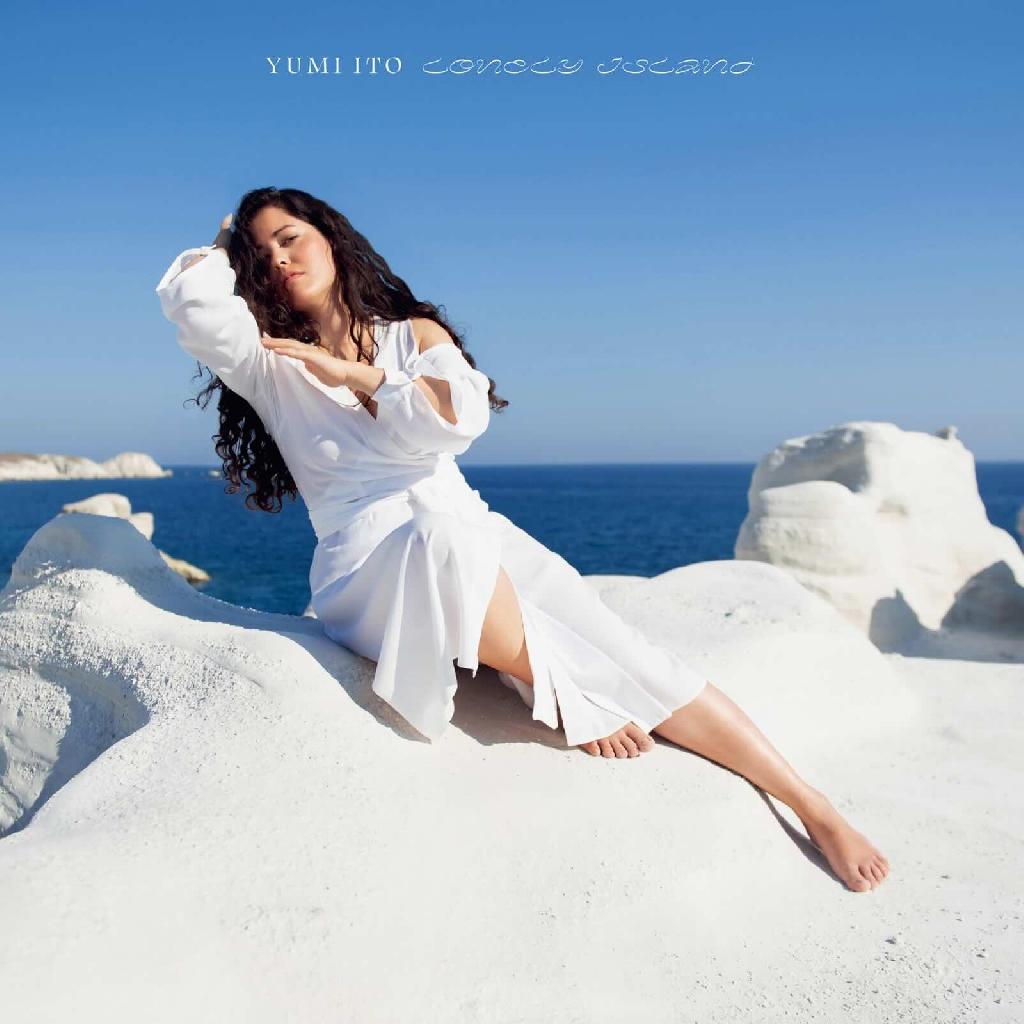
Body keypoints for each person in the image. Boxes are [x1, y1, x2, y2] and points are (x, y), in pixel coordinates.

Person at [155, 187, 890, 893]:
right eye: (261, 254)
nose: (279, 258)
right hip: (366, 564)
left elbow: (457, 421)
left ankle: (812, 806)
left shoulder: (413, 335)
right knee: (439, 540)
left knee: (639, 660)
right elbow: (192, 305)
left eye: (290, 238)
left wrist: (355, 374)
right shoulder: (266, 361)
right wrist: (222, 248)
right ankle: (563, 688)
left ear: (332, 239)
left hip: (470, 529)